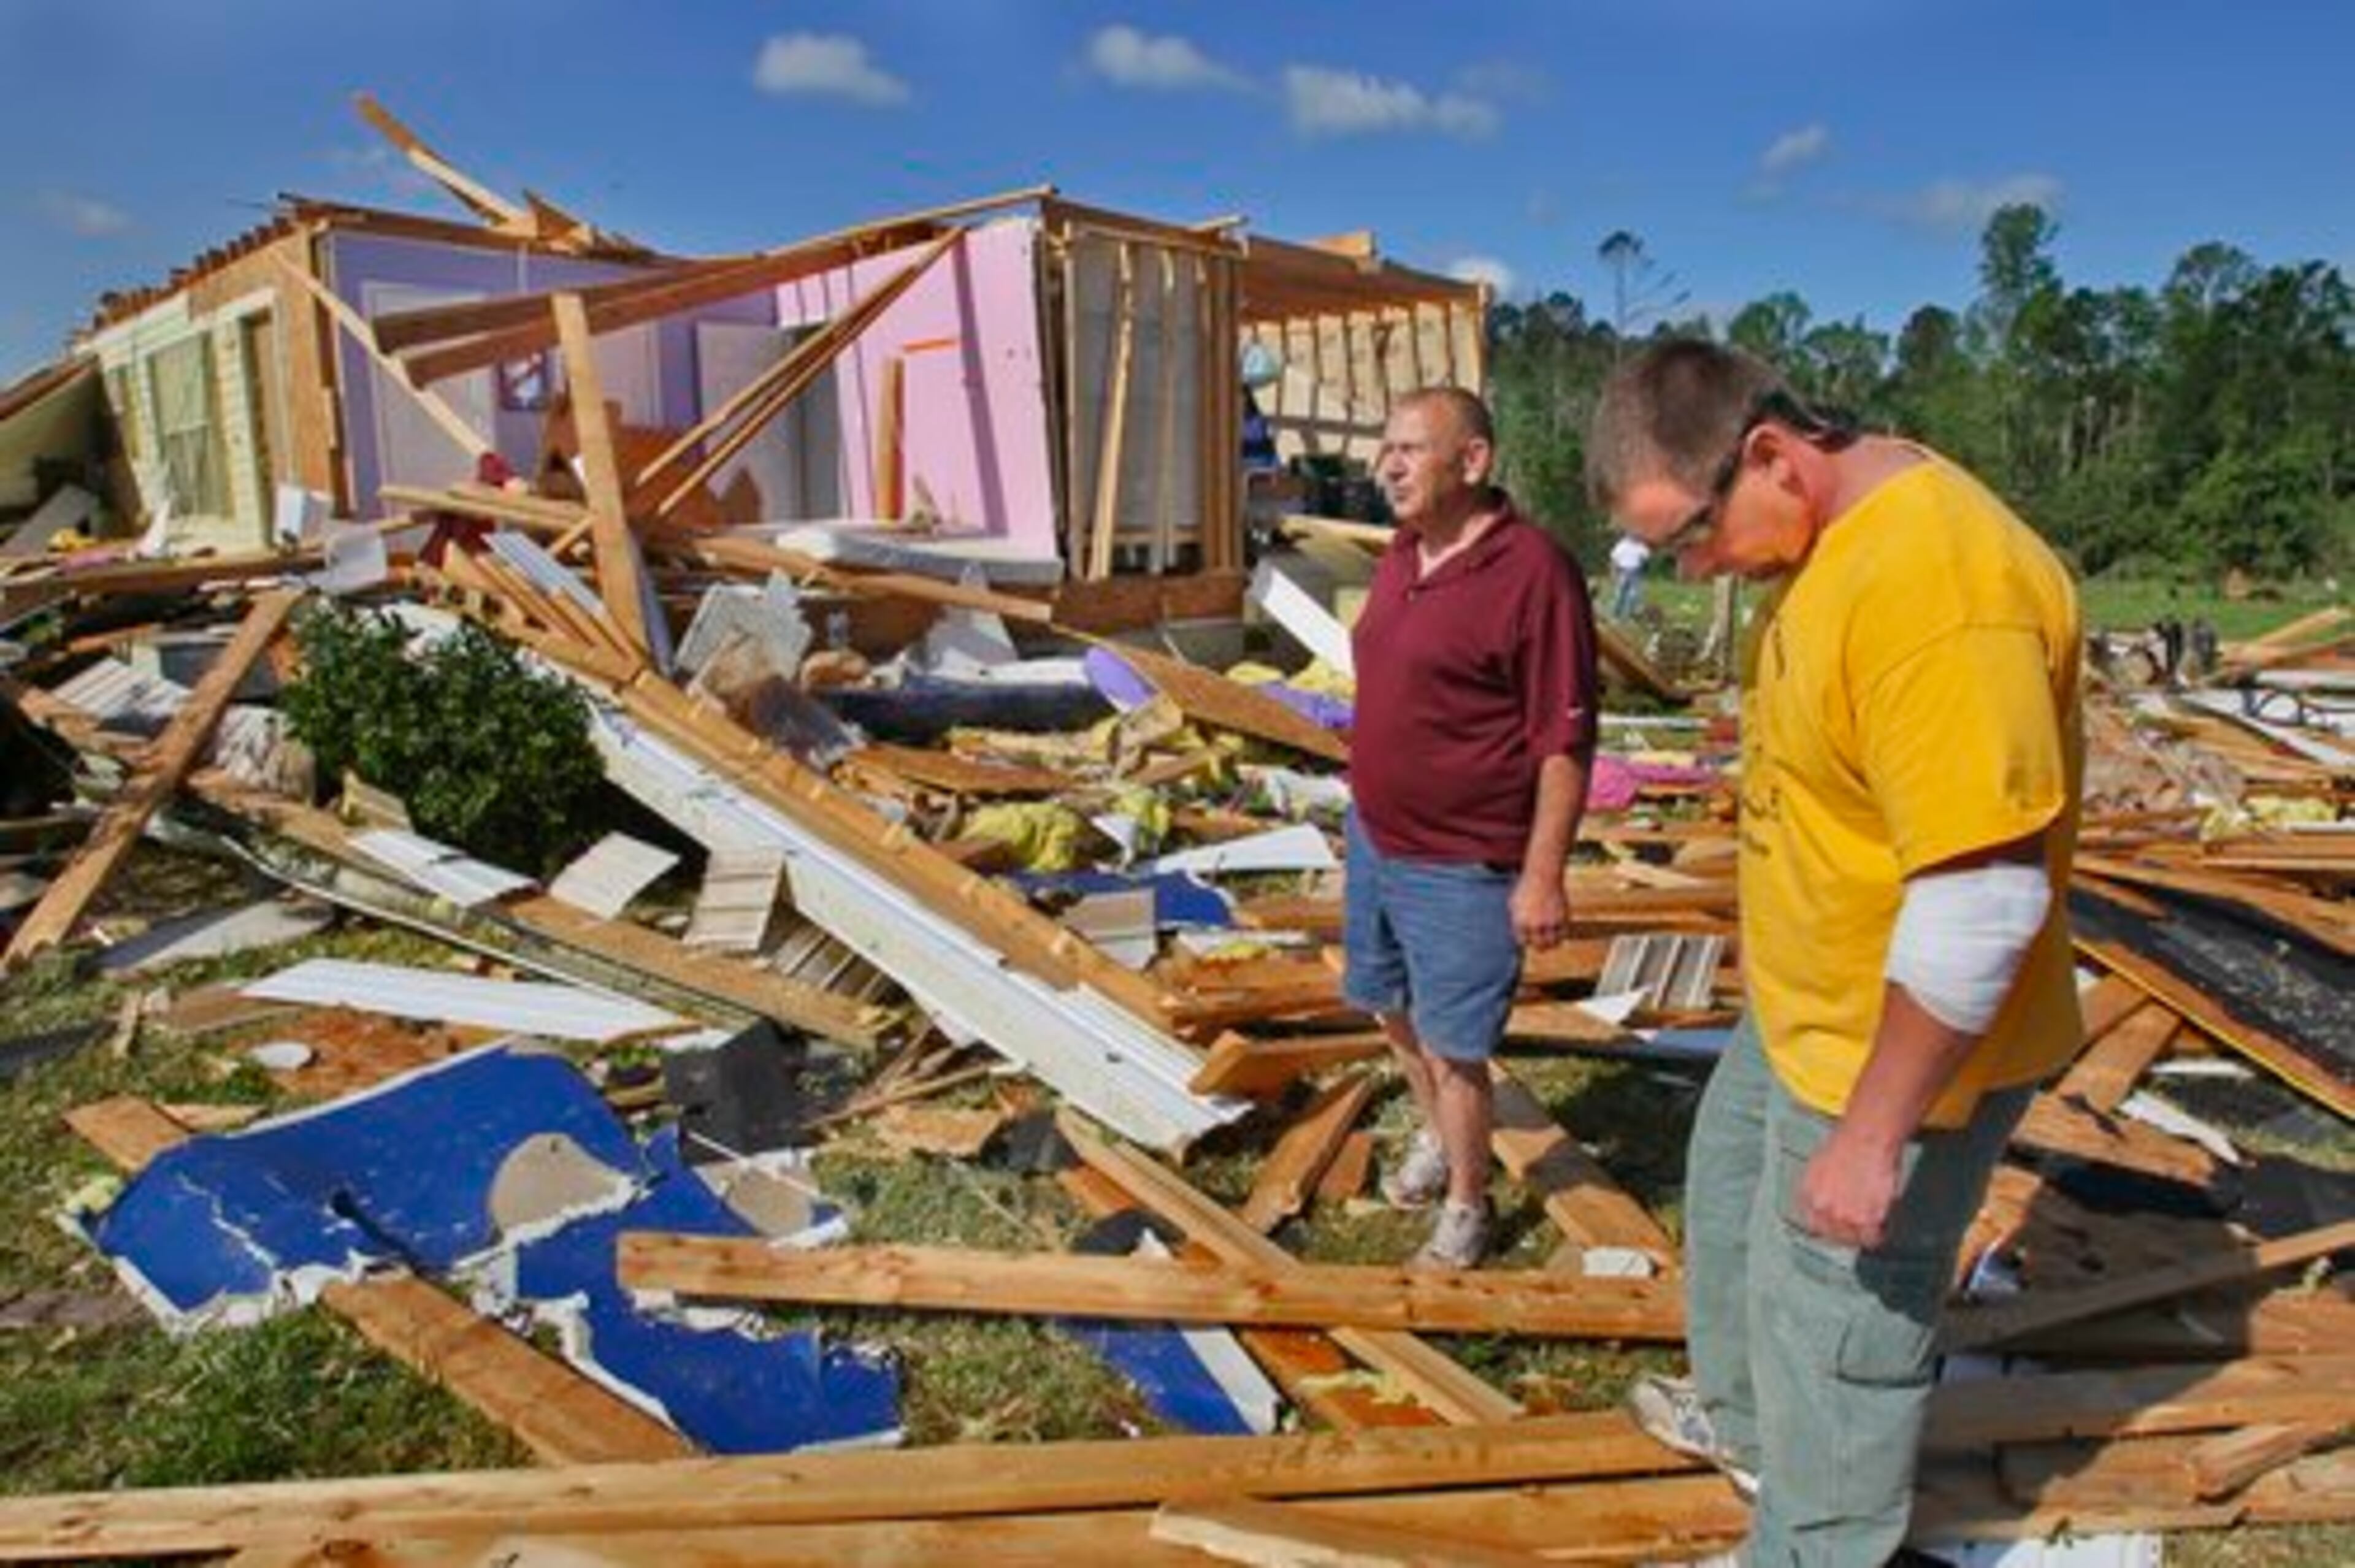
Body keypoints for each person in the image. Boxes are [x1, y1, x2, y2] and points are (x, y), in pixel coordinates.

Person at [1585, 341, 2084, 1565]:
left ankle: (1817, 1540)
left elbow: (1983, 903)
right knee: (1734, 1198)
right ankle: (1759, 1427)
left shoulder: (1934, 589)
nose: (1701, 569)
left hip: (1900, 1041)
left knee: (1844, 1316)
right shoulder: (1822, 538)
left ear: (1770, 456)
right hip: (1811, 1006)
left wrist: (1875, 1134)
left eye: (1693, 536)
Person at [1345, 387, 1599, 1269]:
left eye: (1412, 448)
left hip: (1464, 858)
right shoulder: (1400, 556)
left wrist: (1543, 873)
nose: (1391, 465)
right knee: (1387, 1005)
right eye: (1388, 448)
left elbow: (1564, 738)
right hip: (1376, 833)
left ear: (1475, 461)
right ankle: (1442, 1137)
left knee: (1457, 1047)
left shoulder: (1534, 571)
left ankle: (1466, 1203)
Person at [1607, 532, 1653, 620]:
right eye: (1633, 535)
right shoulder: (1622, 545)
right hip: (1623, 571)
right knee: (1620, 593)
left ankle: (1628, 615)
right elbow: (1614, 559)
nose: (1635, 537)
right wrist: (1613, 572)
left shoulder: (1641, 546)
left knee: (1633, 595)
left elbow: (1646, 559)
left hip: (1636, 572)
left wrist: (1644, 570)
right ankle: (1615, 614)